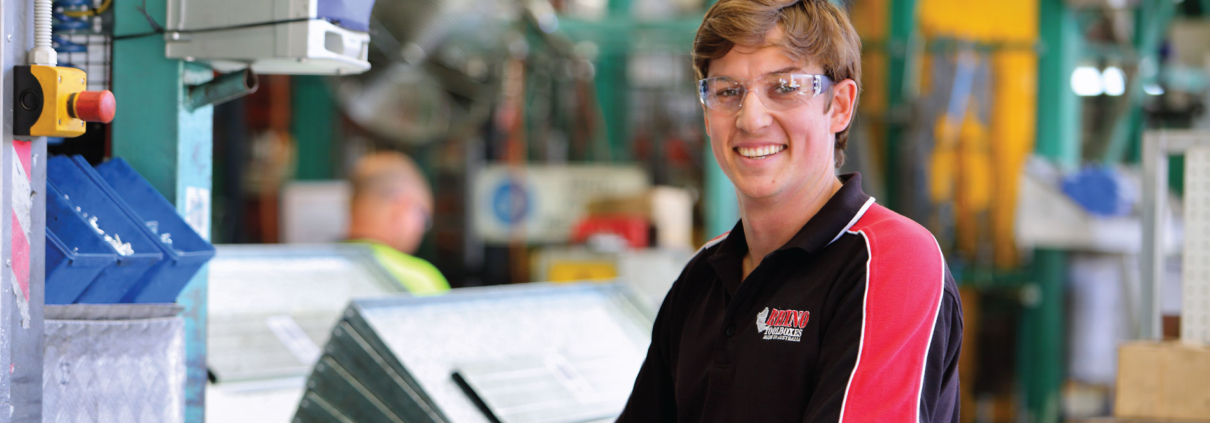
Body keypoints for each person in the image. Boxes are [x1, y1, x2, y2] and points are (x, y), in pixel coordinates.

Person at [617, 0, 962, 421]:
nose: (751, 118)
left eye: (783, 87)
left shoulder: (892, 262)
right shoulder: (702, 276)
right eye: (727, 91)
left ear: (839, 106)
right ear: (707, 115)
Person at [347, 151, 450, 295]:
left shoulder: (317, 264)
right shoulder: (421, 279)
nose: (421, 230)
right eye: (424, 218)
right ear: (401, 207)